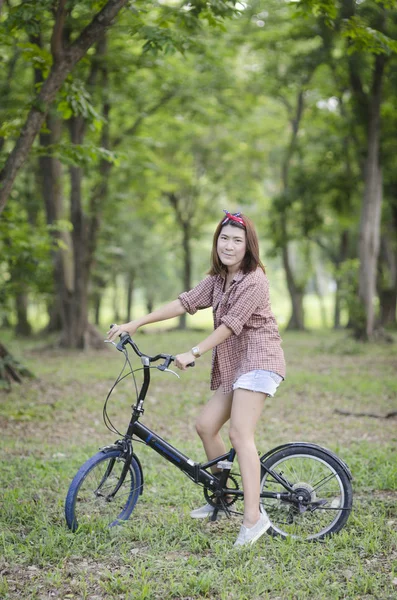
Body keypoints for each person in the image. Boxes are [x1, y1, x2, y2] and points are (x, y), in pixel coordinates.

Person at [107, 210, 286, 547]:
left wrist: (195, 351)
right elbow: (184, 302)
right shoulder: (218, 280)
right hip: (236, 366)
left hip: (260, 359)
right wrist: (136, 323)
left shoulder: (254, 280)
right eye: (224, 238)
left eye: (237, 240)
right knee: (205, 426)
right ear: (216, 241)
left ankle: (254, 517)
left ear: (249, 246)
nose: (229, 246)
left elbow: (230, 324)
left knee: (240, 433)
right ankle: (224, 496)